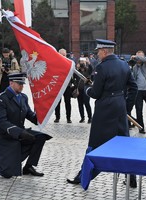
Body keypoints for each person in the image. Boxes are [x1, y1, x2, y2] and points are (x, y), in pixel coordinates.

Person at [67, 39, 138, 188]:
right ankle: (132, 178)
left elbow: (96, 93)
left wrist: (87, 88)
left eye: (98, 52)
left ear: (104, 51)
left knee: (95, 145)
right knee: (124, 144)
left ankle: (83, 176)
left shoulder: (101, 67)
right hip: (119, 108)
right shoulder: (124, 64)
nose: (97, 54)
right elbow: (133, 87)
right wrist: (126, 105)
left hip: (104, 110)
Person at [0, 73, 52, 178]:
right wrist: (20, 132)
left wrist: (43, 115)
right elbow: (1, 121)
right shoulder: (1, 99)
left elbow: (29, 114)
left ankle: (28, 167)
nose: (22, 86)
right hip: (5, 138)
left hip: (20, 135)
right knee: (7, 174)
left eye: (22, 84)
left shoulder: (23, 97)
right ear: (11, 83)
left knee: (40, 137)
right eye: (19, 83)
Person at [54, 48, 74, 123]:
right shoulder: (55, 63)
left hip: (67, 86)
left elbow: (73, 74)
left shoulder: (70, 63)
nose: (63, 56)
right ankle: (57, 117)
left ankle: (68, 118)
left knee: (68, 102)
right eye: (61, 55)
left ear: (66, 55)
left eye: (64, 55)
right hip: (58, 86)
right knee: (57, 103)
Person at [75, 57, 92, 123]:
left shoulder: (87, 70)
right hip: (79, 90)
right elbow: (75, 80)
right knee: (80, 104)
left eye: (83, 62)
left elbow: (91, 69)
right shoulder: (77, 71)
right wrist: (77, 68)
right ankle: (82, 117)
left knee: (87, 104)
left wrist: (89, 63)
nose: (82, 63)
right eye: (81, 62)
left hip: (86, 89)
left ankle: (90, 117)